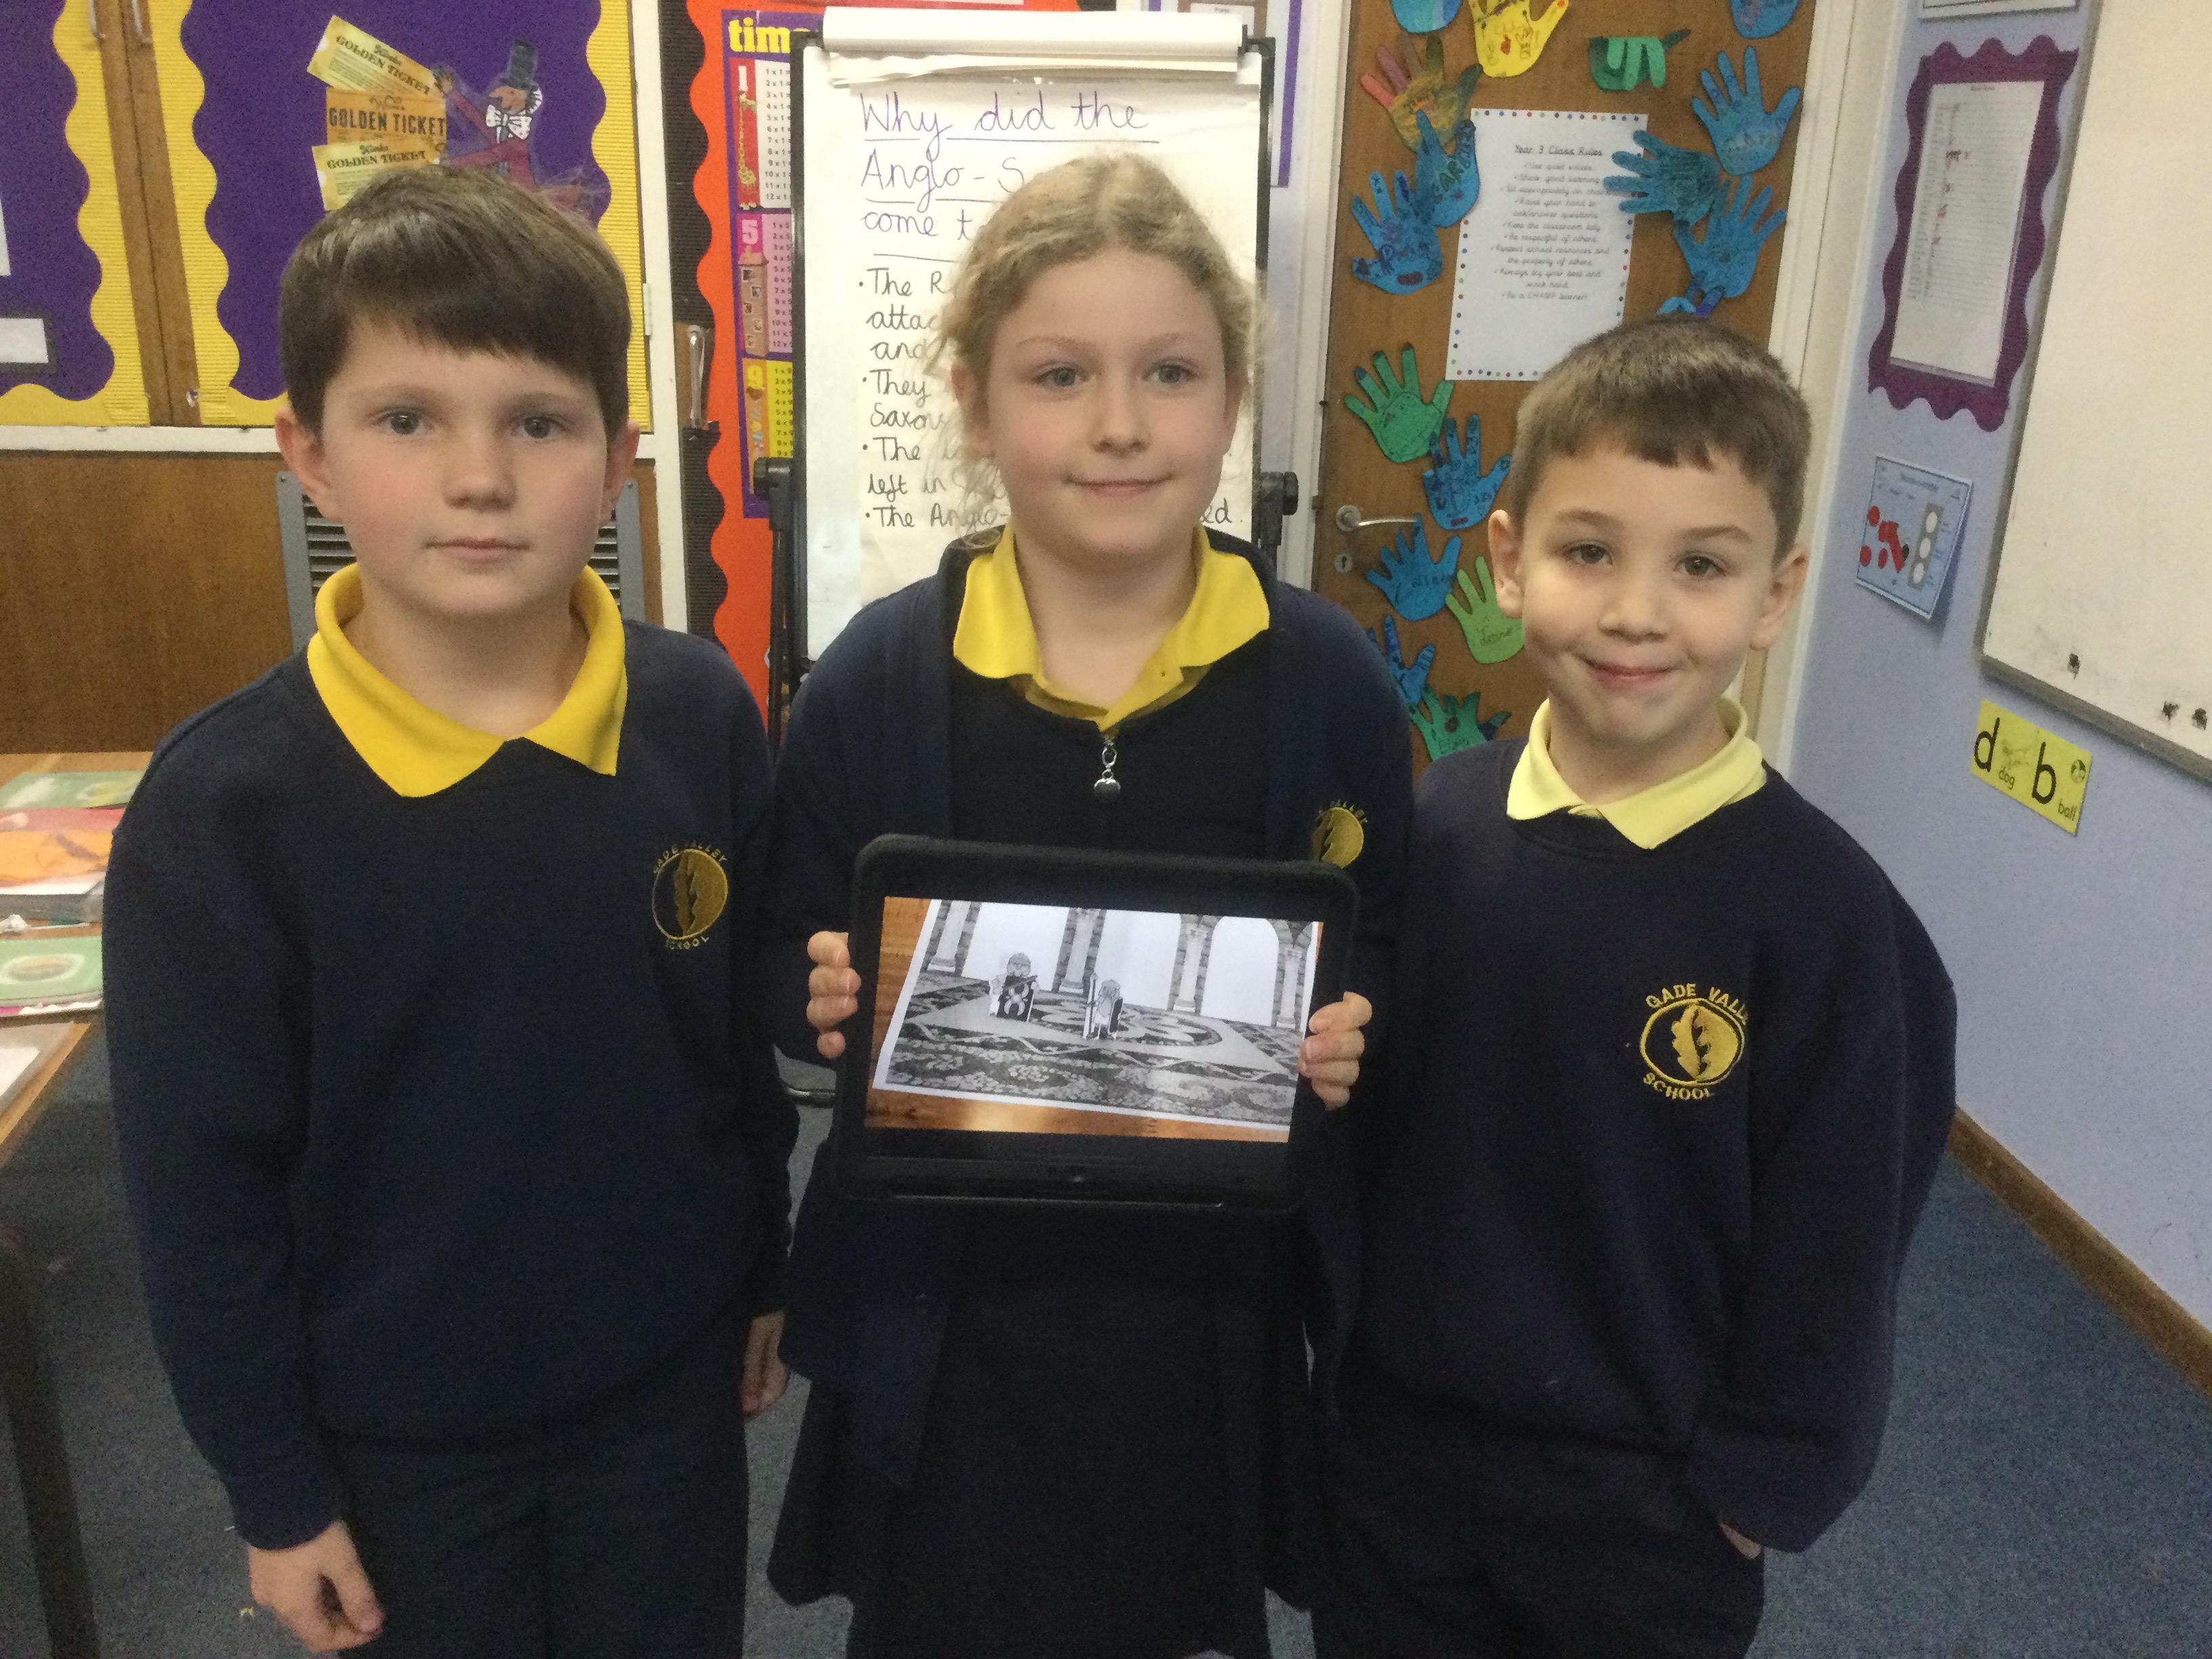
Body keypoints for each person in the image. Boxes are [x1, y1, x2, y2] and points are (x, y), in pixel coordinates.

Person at [103, 166, 796, 1658]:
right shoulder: (225, 811)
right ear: (309, 454)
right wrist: (275, 1491)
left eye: (537, 423)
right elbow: (198, 1197)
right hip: (394, 1446)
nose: (480, 477)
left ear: (616, 461)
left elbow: (731, 1053)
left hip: (663, 1396)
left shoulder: (697, 717)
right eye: (408, 420)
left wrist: (763, 1270)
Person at [761, 154, 1411, 1658]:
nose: (1121, 424)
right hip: (950, 1318)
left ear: (1232, 399)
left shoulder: (1325, 684)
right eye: (1061, 375)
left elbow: (1382, 937)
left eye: (1170, 372)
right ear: (977, 405)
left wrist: (1354, 1028)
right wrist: (821, 992)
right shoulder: (876, 681)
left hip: (1207, 1317)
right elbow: (784, 952)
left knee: (1176, 1608)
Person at [1317, 316, 1959, 1659]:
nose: (1635, 613)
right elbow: (1371, 1128)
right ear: (1509, 560)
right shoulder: (1435, 829)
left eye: (1702, 566)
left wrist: (1757, 1489)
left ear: (1776, 593)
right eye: (1589, 551)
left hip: (1648, 1510)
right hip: (1398, 1459)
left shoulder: (1829, 920)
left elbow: (1841, 1239)